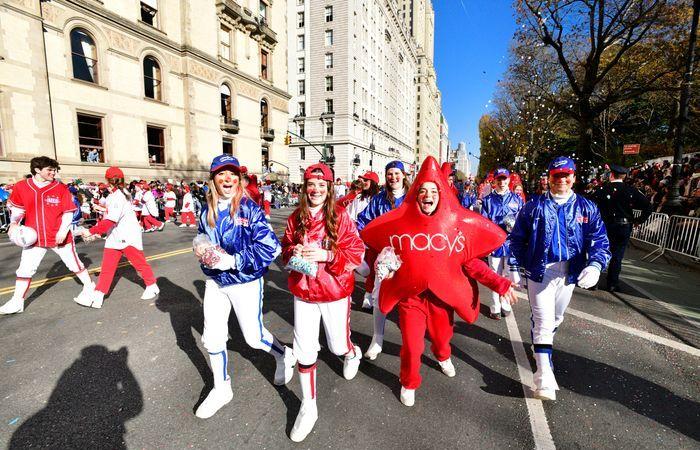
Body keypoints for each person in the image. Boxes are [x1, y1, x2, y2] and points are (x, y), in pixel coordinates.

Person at [359, 156, 517, 407]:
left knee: (442, 339)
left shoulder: (452, 227)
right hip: (411, 297)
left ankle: (443, 355)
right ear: (416, 196)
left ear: (441, 196)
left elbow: (471, 263)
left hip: (442, 299)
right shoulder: (401, 224)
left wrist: (500, 284)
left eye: (433, 191)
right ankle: (409, 381)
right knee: (412, 345)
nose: (428, 195)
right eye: (423, 191)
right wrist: (384, 267)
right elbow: (386, 255)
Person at [193, 155, 296, 419]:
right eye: (220, 174)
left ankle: (284, 354)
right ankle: (221, 388)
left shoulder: (249, 209)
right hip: (215, 281)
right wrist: (201, 245)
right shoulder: (206, 209)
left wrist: (233, 260)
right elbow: (202, 234)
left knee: (253, 337)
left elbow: (270, 248)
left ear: (238, 180)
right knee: (212, 337)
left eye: (232, 174)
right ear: (213, 179)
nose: (226, 179)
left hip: (246, 281)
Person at [509, 156, 611, 401]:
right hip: (540, 272)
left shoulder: (587, 207)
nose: (562, 180)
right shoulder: (533, 206)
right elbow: (516, 239)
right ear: (549, 178)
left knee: (555, 318)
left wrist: (596, 265)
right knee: (543, 322)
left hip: (570, 273)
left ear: (574, 177)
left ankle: (541, 347)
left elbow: (599, 241)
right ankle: (544, 376)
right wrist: (515, 266)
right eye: (557, 175)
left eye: (567, 175)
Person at [281, 163, 365, 442]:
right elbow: (284, 251)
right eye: (310, 184)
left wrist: (327, 255)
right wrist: (294, 250)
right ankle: (309, 405)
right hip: (303, 291)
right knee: (304, 350)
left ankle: (353, 353)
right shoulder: (295, 217)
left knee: (337, 345)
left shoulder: (340, 216)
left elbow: (356, 253)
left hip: (334, 291)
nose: (315, 189)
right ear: (304, 188)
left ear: (329, 189)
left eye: (321, 184)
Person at [1, 156, 94, 314]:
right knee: (25, 270)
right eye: (49, 170)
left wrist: (63, 231)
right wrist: (14, 223)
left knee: (74, 265)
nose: (53, 173)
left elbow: (68, 212)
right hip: (34, 237)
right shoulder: (21, 187)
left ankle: (89, 287)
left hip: (58, 236)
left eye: (55, 170)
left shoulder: (60, 188)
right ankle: (17, 301)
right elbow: (18, 210)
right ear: (37, 170)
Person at [75, 167, 159, 308]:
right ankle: (98, 295)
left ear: (108, 181)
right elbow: (115, 211)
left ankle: (152, 285)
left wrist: (92, 231)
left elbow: (110, 220)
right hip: (116, 235)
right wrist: (101, 209)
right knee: (107, 267)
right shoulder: (121, 193)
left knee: (139, 263)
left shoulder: (118, 195)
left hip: (127, 235)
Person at [356, 161, 410, 357]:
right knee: (379, 296)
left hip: (411, 256)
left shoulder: (413, 197)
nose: (393, 177)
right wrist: (372, 240)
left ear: (404, 175)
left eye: (396, 173)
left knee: (409, 301)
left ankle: (410, 343)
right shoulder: (379, 199)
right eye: (389, 174)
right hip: (386, 256)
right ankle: (377, 339)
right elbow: (362, 220)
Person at [592, 164, 652, 292]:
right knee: (617, 255)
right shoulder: (630, 190)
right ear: (624, 177)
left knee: (599, 251)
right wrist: (638, 220)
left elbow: (590, 205)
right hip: (623, 226)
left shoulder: (602, 189)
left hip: (604, 225)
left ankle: (593, 281)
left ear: (611, 174)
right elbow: (648, 206)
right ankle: (612, 283)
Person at [481, 167, 524, 319]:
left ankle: (505, 304)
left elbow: (522, 222)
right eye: (499, 179)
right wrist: (497, 225)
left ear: (509, 180)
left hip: (511, 245)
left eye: (504, 179)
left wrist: (515, 225)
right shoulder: (487, 201)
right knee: (495, 275)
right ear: (495, 181)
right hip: (495, 244)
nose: (502, 182)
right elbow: (484, 223)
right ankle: (495, 307)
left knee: (508, 275)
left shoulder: (517, 200)